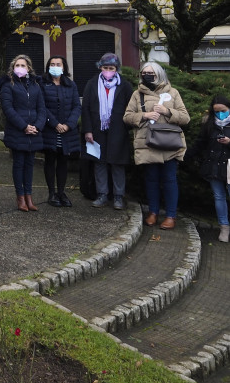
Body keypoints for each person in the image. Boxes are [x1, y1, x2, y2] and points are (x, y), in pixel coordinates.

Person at [123, 62, 190, 230]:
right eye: (144, 72)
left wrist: (167, 112)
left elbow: (185, 118)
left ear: (159, 74)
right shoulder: (137, 95)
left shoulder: (173, 93)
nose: (146, 75)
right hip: (148, 143)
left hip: (170, 144)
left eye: (150, 73)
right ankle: (153, 212)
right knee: (151, 180)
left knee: (169, 180)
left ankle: (170, 216)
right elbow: (127, 117)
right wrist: (144, 115)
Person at [81, 53, 133, 209]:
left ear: (116, 69)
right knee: (100, 163)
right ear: (100, 68)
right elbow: (86, 109)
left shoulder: (125, 85)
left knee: (118, 164)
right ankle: (102, 194)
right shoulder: (92, 84)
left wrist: (127, 127)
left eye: (111, 68)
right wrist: (88, 130)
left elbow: (131, 108)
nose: (108, 71)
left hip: (118, 130)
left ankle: (118, 196)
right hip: (98, 130)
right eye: (105, 68)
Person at [0, 54, 47, 212]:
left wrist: (37, 126)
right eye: (17, 65)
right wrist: (24, 126)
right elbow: (8, 109)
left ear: (29, 68)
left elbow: (42, 108)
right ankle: (20, 197)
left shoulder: (35, 85)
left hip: (33, 132)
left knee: (29, 165)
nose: (20, 68)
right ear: (13, 68)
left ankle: (29, 196)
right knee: (18, 164)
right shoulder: (8, 85)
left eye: (23, 65)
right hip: (17, 131)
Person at [40, 55, 82, 207]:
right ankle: (52, 193)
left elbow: (77, 106)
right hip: (50, 130)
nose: (55, 66)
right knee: (50, 160)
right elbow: (42, 106)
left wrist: (68, 124)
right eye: (52, 64)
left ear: (64, 67)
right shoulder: (43, 84)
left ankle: (61, 192)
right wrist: (55, 123)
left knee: (63, 161)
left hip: (67, 131)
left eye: (58, 64)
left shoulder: (71, 85)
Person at [189, 94, 230, 242]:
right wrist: (186, 156)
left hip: (229, 166)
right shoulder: (209, 124)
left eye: (223, 110)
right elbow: (200, 144)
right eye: (216, 111)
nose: (220, 114)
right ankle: (224, 227)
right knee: (219, 197)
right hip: (213, 165)